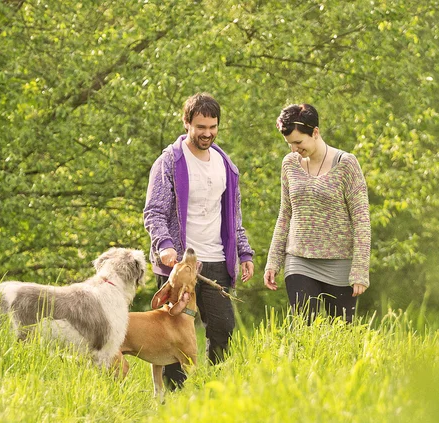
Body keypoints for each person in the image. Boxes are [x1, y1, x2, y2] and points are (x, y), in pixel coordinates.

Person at [144, 92, 254, 389]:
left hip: (217, 259)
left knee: (223, 328)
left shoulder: (225, 165)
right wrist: (165, 247)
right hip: (179, 264)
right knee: (173, 336)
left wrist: (244, 252)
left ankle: (215, 391)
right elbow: (154, 212)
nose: (207, 133)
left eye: (213, 127)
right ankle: (173, 398)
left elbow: (233, 215)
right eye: (201, 127)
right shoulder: (169, 162)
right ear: (187, 123)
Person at [264, 103, 371, 323]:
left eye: (298, 142)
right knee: (302, 327)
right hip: (299, 259)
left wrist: (360, 270)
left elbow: (361, 220)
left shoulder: (346, 164)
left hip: (339, 262)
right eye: (289, 144)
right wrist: (273, 261)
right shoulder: (289, 164)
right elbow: (285, 214)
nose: (293, 149)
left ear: (315, 132)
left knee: (341, 334)